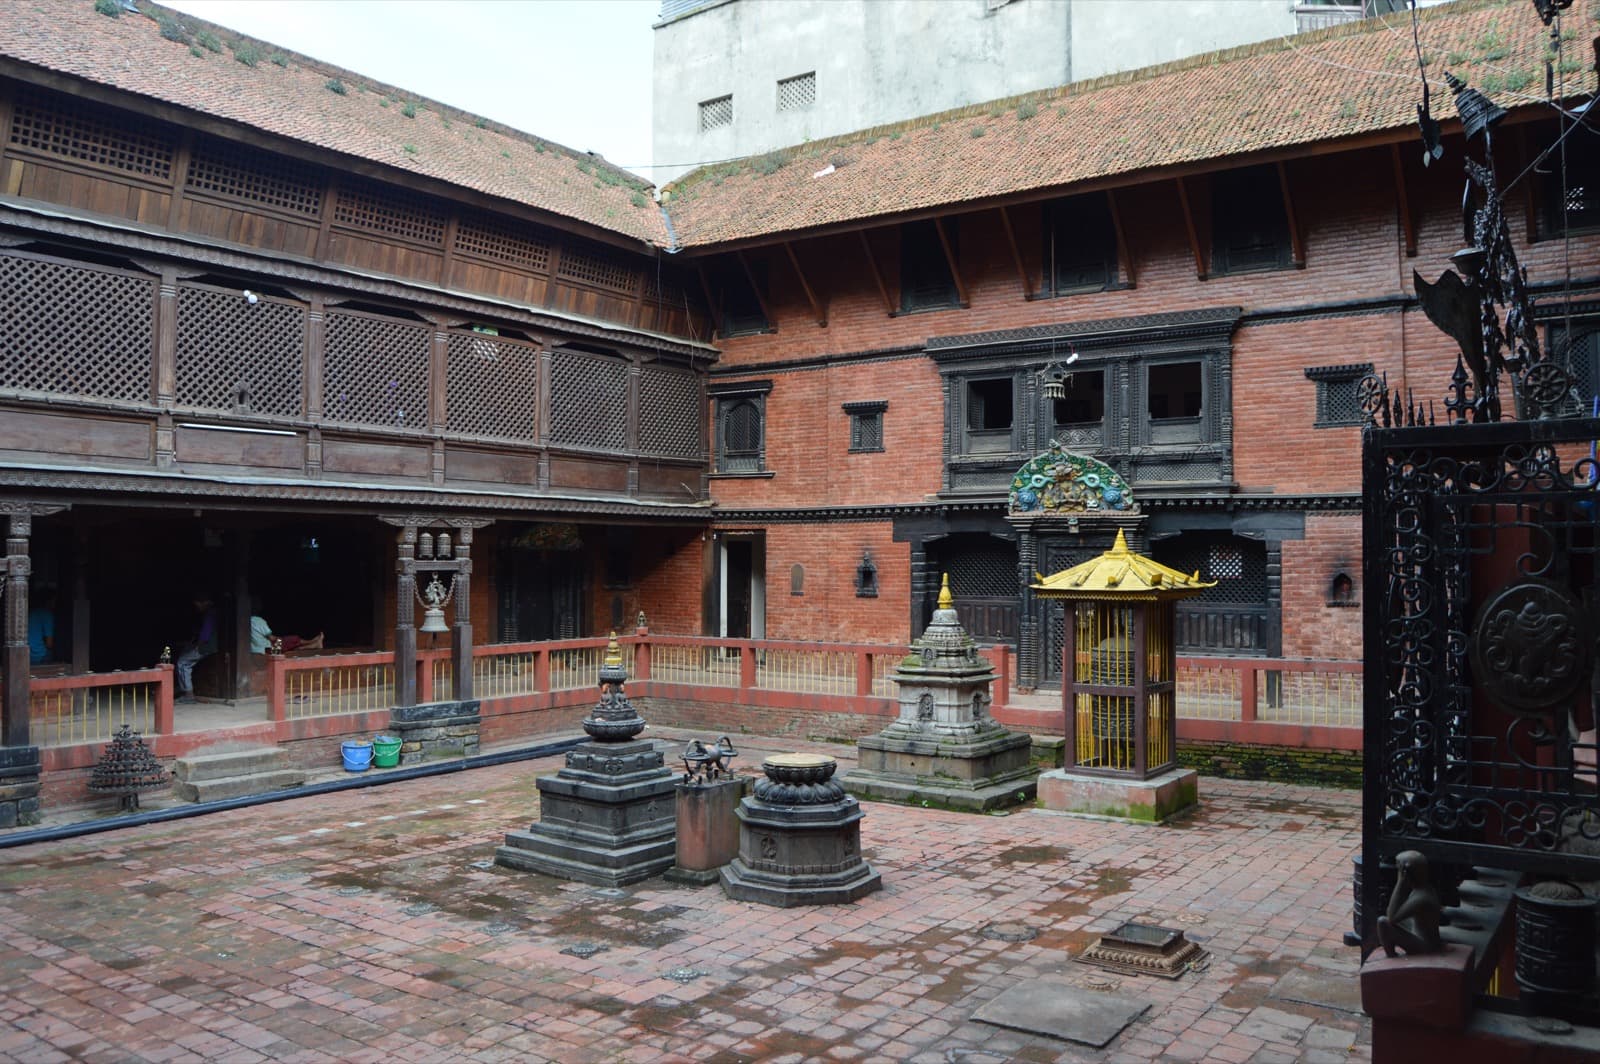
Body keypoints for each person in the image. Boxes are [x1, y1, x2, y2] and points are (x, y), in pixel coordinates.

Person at [175, 595, 217, 704]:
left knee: (182, 663)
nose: (197, 608)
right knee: (185, 652)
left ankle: (188, 694)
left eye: (197, 605)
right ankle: (182, 687)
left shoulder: (210, 614)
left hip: (207, 647)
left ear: (205, 602)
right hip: (211, 646)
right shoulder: (214, 612)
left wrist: (198, 646)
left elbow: (205, 635)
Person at [249, 614, 323, 654]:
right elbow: (272, 638)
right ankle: (311, 641)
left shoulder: (241, 622)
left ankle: (314, 645)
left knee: (287, 645)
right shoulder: (256, 620)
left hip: (255, 651)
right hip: (270, 651)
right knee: (291, 639)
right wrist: (281, 639)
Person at [28, 588, 56, 666]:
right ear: (48, 601)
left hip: (27, 655)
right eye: (54, 600)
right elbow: (49, 643)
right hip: (39, 655)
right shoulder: (46, 614)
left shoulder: (31, 612)